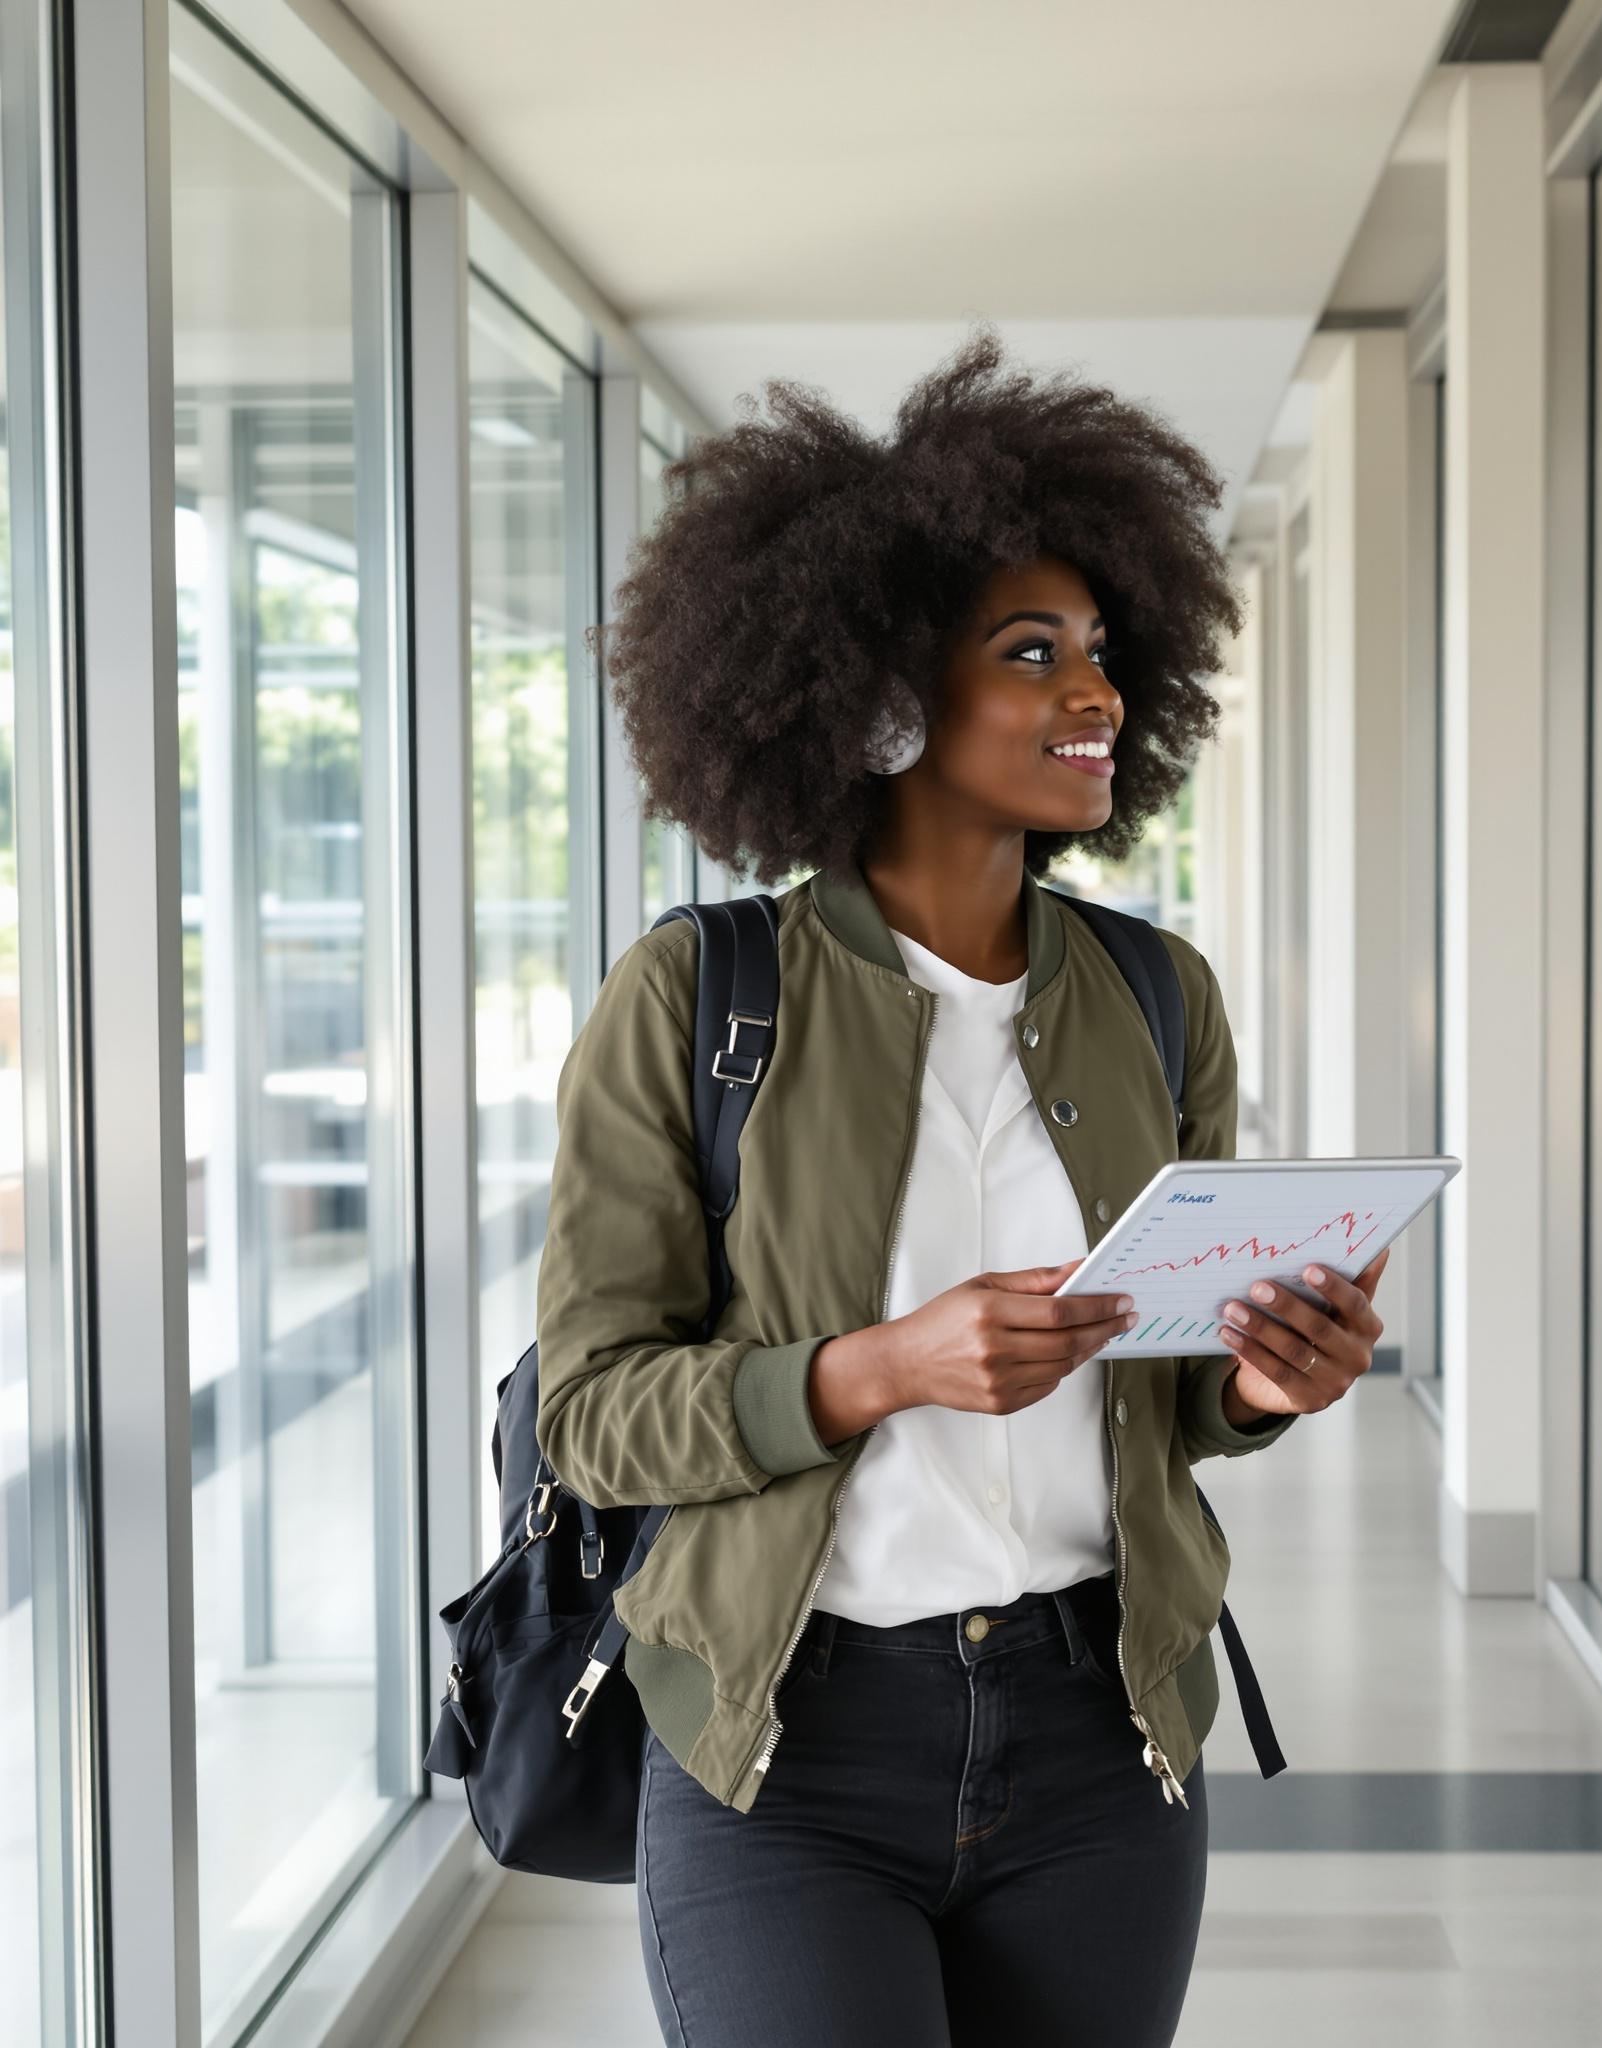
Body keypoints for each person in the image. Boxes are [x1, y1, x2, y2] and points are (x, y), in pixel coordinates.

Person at [532, 325, 1388, 2048]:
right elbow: (592, 1415)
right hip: (790, 1747)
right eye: (1031, 653)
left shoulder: (1159, 998)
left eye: (1100, 652)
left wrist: (1264, 1378)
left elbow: (1182, 1394)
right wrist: (876, 1369)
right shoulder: (700, 998)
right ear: (881, 691)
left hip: (1102, 1737)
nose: (1098, 695)